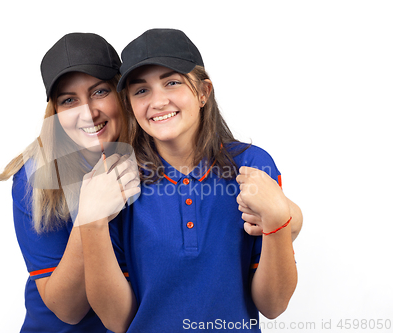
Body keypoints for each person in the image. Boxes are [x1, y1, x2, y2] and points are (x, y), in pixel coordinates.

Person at [79, 29, 302, 332]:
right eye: (141, 91)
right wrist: (91, 223)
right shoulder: (116, 179)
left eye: (172, 82)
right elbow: (117, 320)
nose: (158, 102)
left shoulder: (252, 166)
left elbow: (273, 306)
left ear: (203, 93)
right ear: (130, 104)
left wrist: (279, 223)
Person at [0, 32, 139, 333]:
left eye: (100, 92)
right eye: (69, 100)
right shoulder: (35, 176)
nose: (88, 113)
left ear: (122, 92)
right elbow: (67, 311)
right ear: (56, 112)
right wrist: (90, 216)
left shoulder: (153, 157)